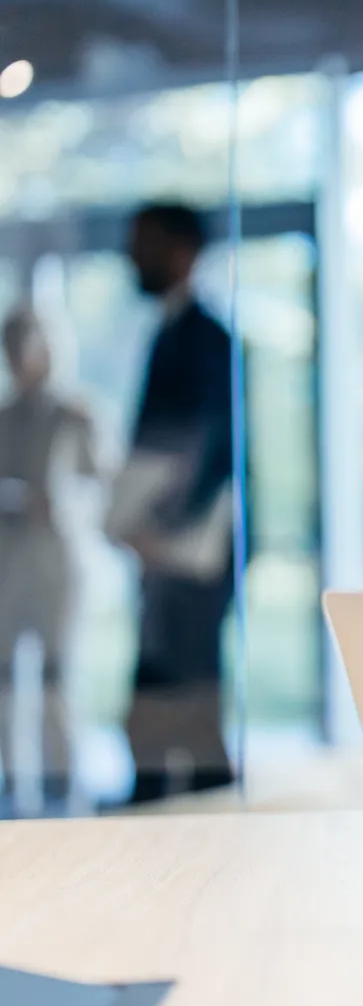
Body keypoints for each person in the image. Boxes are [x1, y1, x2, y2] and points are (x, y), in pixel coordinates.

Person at [113, 203, 235, 805]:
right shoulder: (169, 333)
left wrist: (156, 523)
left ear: (180, 250)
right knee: (165, 698)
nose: (132, 256)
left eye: (146, 243)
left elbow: (208, 448)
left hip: (189, 550)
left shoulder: (205, 338)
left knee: (185, 702)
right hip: (165, 553)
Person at [0, 308, 97, 807]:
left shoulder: (73, 414)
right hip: (9, 564)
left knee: (57, 675)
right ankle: (12, 783)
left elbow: (100, 481)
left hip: (57, 561)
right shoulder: (3, 418)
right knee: (6, 680)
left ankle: (63, 783)